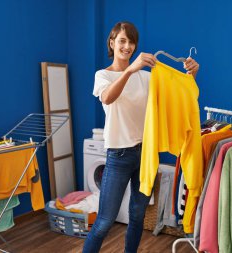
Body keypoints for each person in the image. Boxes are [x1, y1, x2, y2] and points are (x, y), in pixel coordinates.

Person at [82, 21, 199, 253]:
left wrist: (190, 76)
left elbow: (174, 98)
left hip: (145, 154)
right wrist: (129, 70)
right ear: (112, 42)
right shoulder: (102, 75)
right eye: (122, 40)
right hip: (118, 155)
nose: (127, 46)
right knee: (104, 221)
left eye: (131, 41)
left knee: (137, 217)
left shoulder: (147, 78)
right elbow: (107, 98)